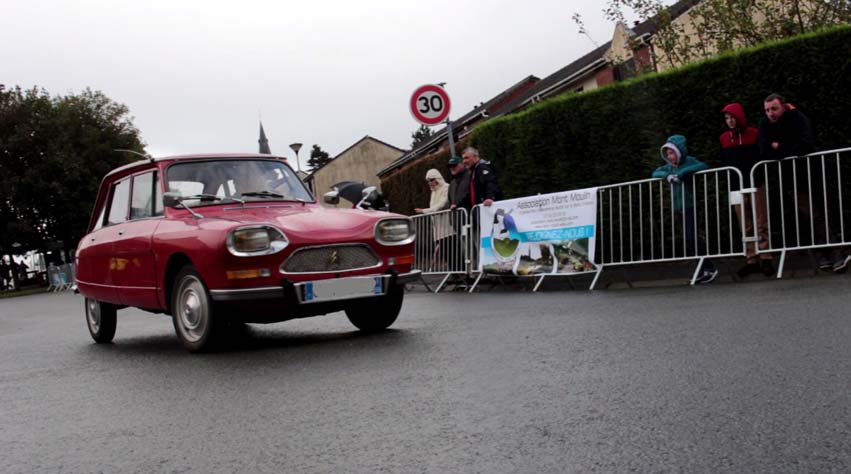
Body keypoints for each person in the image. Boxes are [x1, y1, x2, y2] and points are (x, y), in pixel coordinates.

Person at [758, 93, 849, 273]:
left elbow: (806, 144)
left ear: (783, 106)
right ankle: (828, 252)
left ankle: (837, 251)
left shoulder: (797, 118)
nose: (771, 113)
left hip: (814, 173)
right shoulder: (764, 124)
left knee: (826, 212)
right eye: (767, 110)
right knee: (811, 216)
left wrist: (779, 147)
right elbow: (764, 150)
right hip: (792, 179)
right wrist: (783, 147)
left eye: (774, 109)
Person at [652, 134, 718, 284]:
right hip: (678, 207)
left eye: (672, 152)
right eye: (668, 153)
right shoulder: (669, 167)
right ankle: (703, 269)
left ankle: (708, 268)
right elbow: (655, 172)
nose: (670, 156)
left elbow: (702, 166)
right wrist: (668, 175)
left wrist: (682, 173)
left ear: (679, 151)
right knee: (689, 239)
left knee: (692, 237)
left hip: (690, 204)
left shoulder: (689, 161)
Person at [719, 102, 773, 277]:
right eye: (727, 118)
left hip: (755, 183)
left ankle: (766, 256)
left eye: (732, 117)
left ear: (739, 117)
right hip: (736, 187)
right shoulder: (724, 138)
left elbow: (762, 155)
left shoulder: (754, 134)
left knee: (761, 222)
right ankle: (751, 258)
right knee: (745, 225)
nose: (730, 121)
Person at [414, 169, 454, 270]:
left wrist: (424, 211)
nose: (430, 183)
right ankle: (454, 274)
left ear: (437, 178)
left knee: (453, 252)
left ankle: (460, 275)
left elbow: (441, 205)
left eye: (431, 180)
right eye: (428, 181)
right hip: (438, 228)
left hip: (448, 227)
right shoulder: (433, 192)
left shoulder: (446, 187)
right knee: (446, 254)